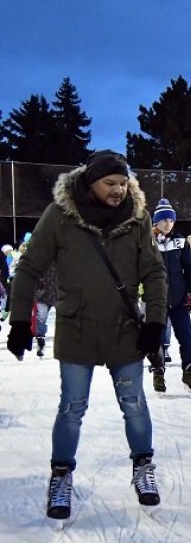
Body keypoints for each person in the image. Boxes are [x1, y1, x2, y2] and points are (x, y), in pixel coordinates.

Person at [6, 150, 167, 520]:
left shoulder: (137, 218)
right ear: (90, 181)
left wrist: (155, 322)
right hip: (76, 329)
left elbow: (154, 273)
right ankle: (61, 475)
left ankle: (143, 468)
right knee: (72, 407)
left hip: (125, 330)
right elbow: (29, 268)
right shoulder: (60, 217)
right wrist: (19, 321)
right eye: (111, 183)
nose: (118, 190)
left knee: (135, 404)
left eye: (124, 184)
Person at [151, 198, 191, 393]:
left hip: (179, 301)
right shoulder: (148, 242)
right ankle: (158, 374)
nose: (167, 224)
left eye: (171, 220)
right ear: (156, 222)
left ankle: (188, 372)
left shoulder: (181, 242)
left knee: (187, 338)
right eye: (163, 220)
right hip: (156, 302)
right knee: (157, 340)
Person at [32, 265, 58, 358]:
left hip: (58, 294)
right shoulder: (38, 257)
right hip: (42, 295)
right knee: (41, 318)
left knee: (66, 318)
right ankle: (40, 340)